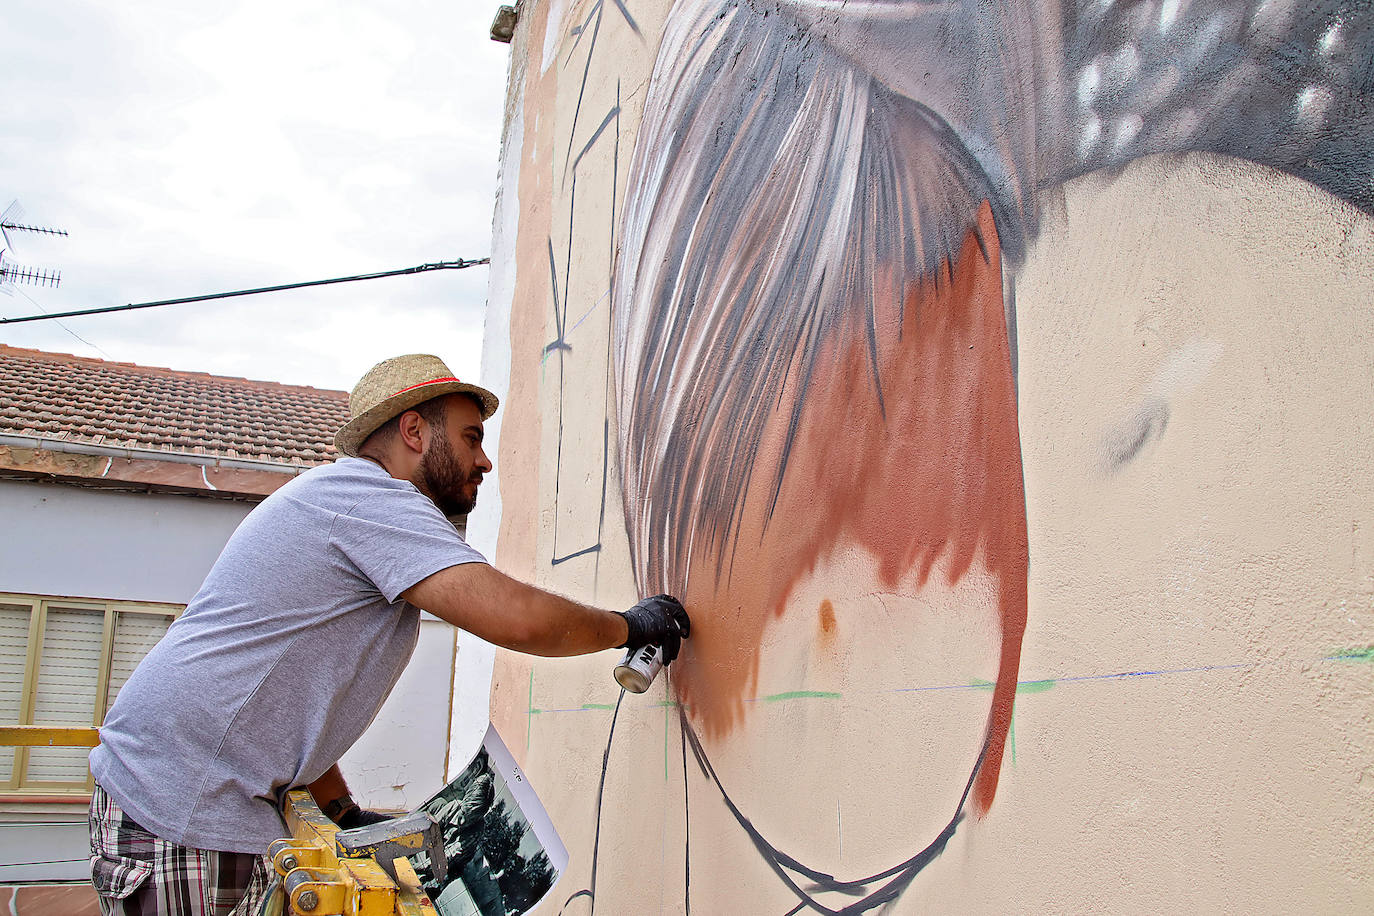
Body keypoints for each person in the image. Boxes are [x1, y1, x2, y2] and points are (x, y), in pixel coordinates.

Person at [87, 353, 690, 916]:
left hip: (171, 791)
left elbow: (297, 694)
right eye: (471, 437)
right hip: (185, 806)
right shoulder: (372, 497)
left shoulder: (348, 504)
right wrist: (632, 625)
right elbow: (517, 618)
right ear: (413, 432)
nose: (485, 461)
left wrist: (342, 813)